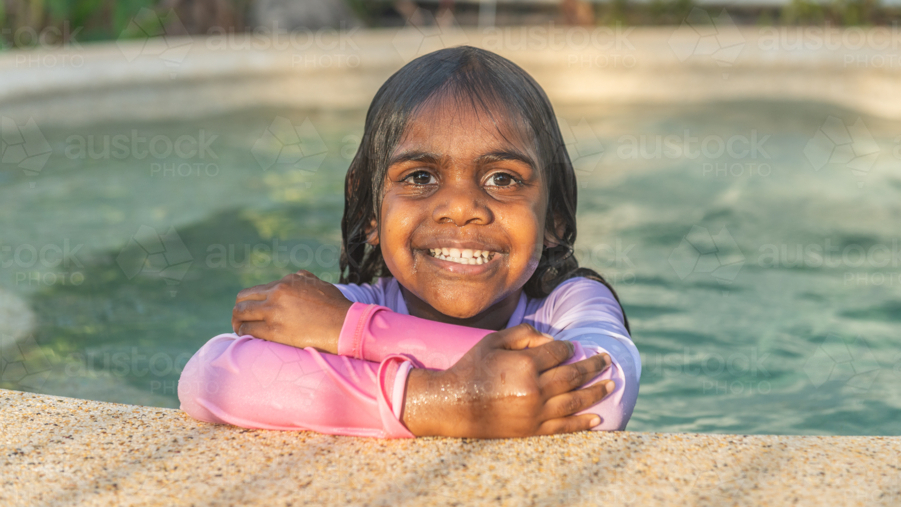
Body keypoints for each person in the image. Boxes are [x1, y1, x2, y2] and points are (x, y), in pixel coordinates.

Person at [178, 46, 640, 438]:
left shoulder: (569, 304)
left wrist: (359, 333)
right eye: (420, 177)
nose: (461, 208)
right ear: (372, 211)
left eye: (503, 178)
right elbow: (212, 376)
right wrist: (441, 402)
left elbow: (607, 391)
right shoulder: (352, 305)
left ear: (554, 218)